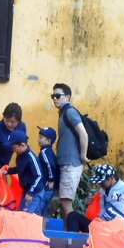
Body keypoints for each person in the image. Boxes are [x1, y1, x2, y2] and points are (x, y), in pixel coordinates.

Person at [66, 163, 124, 233]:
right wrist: (92, 203)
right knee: (73, 216)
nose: (100, 184)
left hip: (115, 230)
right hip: (100, 226)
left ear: (111, 178)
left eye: (102, 182)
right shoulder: (103, 190)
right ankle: (73, 242)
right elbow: (102, 212)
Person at [52, 83, 89, 218]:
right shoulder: (63, 113)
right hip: (65, 162)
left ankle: (72, 230)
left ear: (67, 97)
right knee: (64, 201)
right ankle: (69, 229)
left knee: (66, 201)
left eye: (57, 96)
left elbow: (83, 134)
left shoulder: (69, 112)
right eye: (53, 96)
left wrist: (83, 156)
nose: (54, 99)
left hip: (71, 163)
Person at [5, 131, 46, 215]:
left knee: (27, 215)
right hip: (26, 191)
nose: (13, 150)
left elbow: (38, 176)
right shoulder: (20, 155)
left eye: (14, 148)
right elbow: (20, 168)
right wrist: (9, 171)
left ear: (23, 145)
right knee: (22, 212)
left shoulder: (31, 158)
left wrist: (31, 192)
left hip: (34, 192)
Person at [36, 126, 59, 217]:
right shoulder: (49, 151)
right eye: (39, 137)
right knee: (44, 211)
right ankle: (43, 225)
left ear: (49, 141)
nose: (38, 139)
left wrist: (50, 179)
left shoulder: (44, 152)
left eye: (41, 138)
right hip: (50, 188)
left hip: (46, 186)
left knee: (37, 209)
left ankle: (38, 226)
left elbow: (50, 165)